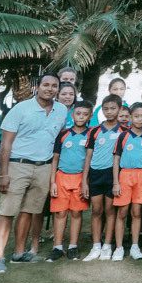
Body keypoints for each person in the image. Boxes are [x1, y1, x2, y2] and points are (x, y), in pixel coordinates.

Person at [0, 74, 67, 272]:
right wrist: (3, 174)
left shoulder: (61, 110)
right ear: (37, 87)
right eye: (46, 85)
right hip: (18, 165)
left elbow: (58, 138)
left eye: (54, 86)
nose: (50, 89)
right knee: (7, 212)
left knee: (28, 211)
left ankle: (19, 253)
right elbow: (6, 144)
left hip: (44, 167)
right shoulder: (21, 109)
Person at [46, 100, 93, 261]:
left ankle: (73, 246)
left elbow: (89, 159)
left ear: (90, 116)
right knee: (60, 213)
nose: (81, 117)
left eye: (85, 114)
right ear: (72, 115)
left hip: (80, 178)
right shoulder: (63, 134)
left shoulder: (91, 135)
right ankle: (57, 247)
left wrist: (85, 182)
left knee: (76, 212)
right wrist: (53, 182)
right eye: (78, 113)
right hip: (62, 177)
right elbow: (55, 159)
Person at [80, 96, 122, 262]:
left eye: (113, 108)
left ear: (119, 109)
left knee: (110, 211)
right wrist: (84, 180)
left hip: (112, 174)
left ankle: (107, 245)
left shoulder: (124, 131)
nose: (109, 112)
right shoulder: (94, 131)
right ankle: (96, 245)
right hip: (95, 174)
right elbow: (88, 156)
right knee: (96, 210)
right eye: (106, 109)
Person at [110, 103, 142, 261]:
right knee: (122, 212)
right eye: (136, 116)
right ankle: (119, 248)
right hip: (125, 176)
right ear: (131, 117)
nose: (139, 119)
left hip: (141, 176)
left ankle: (135, 246)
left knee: (137, 212)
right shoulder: (123, 135)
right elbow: (116, 159)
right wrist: (116, 182)